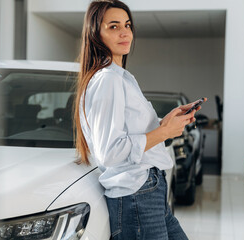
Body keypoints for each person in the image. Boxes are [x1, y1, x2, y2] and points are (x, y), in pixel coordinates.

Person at [73, 1, 205, 239]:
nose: (125, 32)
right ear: (95, 33)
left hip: (149, 191)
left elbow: (130, 130)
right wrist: (165, 133)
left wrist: (166, 122)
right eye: (113, 26)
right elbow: (109, 152)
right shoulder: (108, 80)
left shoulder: (121, 77)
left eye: (127, 25)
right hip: (137, 195)